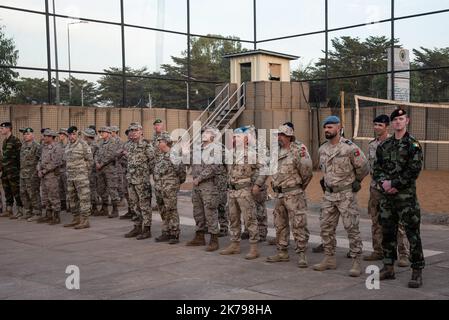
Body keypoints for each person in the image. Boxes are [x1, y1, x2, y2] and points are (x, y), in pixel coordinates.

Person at [373, 108, 425, 288]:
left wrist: (394, 184)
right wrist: (384, 184)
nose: (398, 122)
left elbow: (414, 171)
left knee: (412, 234)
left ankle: (417, 271)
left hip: (406, 198)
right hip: (387, 198)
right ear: (392, 123)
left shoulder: (413, 145)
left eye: (401, 119)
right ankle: (388, 268)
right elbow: (376, 169)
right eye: (395, 120)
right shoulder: (384, 146)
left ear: (407, 121)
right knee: (387, 233)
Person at [313, 116, 369, 277]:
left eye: (330, 127)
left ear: (339, 128)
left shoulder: (350, 148)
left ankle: (356, 261)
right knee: (326, 228)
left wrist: (356, 181)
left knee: (352, 228)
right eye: (325, 127)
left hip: (346, 195)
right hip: (329, 195)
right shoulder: (322, 149)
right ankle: (329, 258)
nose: (327, 130)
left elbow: (364, 167)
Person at [364, 115, 410, 267]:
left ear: (386, 126)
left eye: (380, 125)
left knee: (398, 223)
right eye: (375, 124)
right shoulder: (372, 145)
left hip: (392, 189)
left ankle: (403, 254)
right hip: (376, 189)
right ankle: (379, 251)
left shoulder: (395, 143)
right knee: (376, 221)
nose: (376, 127)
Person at [266, 124, 313, 267]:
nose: (279, 137)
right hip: (279, 195)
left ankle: (302, 254)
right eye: (278, 135)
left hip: (294, 194)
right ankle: (282, 252)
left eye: (282, 135)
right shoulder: (275, 152)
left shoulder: (298, 150)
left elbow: (307, 172)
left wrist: (298, 187)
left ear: (290, 136)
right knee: (280, 224)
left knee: (298, 224)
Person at [220, 125, 267, 260]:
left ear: (246, 139)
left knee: (250, 219)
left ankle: (254, 248)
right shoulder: (231, 153)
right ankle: (234, 244)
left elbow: (265, 168)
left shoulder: (251, 154)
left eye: (238, 137)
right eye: (234, 137)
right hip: (232, 191)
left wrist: (257, 184)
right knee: (233, 218)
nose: (235, 139)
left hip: (244, 191)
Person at [186, 126, 223, 252]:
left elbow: (213, 167)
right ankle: (199, 236)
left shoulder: (216, 149)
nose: (203, 134)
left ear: (213, 136)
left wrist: (199, 178)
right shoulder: (197, 148)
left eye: (207, 133)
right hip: (197, 185)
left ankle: (214, 239)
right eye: (203, 132)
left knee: (210, 212)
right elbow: (190, 163)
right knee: (198, 211)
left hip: (209, 185)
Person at [153, 132, 186, 244]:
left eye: (160, 141)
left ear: (166, 143)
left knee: (171, 210)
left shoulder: (174, 155)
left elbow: (181, 172)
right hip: (159, 187)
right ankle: (166, 231)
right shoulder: (160, 155)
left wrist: (175, 184)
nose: (158, 143)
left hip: (169, 187)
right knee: (162, 210)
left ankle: (174, 233)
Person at [123, 123, 155, 240]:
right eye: (131, 130)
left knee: (144, 205)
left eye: (136, 130)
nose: (133, 132)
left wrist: (144, 174)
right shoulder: (129, 145)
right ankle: (137, 227)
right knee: (134, 205)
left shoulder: (147, 146)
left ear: (141, 131)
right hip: (131, 180)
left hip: (142, 181)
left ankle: (147, 229)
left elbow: (152, 163)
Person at [63, 126, 93, 229]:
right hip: (70, 178)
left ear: (77, 134)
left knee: (84, 199)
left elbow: (90, 161)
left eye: (73, 134)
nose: (71, 136)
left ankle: (85, 220)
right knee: (72, 199)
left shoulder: (83, 145)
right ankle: (76, 218)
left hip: (81, 178)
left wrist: (84, 173)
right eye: (70, 135)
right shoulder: (68, 146)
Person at [37, 129, 64, 225]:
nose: (43, 138)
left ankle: (56, 216)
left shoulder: (57, 147)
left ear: (51, 137)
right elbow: (40, 159)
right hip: (44, 175)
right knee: (45, 195)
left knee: (53, 195)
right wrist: (39, 169)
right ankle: (48, 215)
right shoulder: (44, 147)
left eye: (45, 136)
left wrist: (44, 171)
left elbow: (56, 162)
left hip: (52, 175)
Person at [96, 126, 121, 218]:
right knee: (101, 189)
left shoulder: (113, 142)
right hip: (101, 169)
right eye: (100, 132)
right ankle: (104, 208)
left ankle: (115, 210)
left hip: (110, 169)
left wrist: (101, 164)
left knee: (112, 189)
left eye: (103, 132)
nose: (101, 133)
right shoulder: (100, 143)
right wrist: (96, 163)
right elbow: (96, 154)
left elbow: (111, 155)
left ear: (109, 133)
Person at [18, 128, 42, 221]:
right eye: (24, 134)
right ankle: (28, 211)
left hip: (32, 175)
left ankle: (37, 213)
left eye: (27, 134)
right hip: (23, 174)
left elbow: (40, 160)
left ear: (32, 135)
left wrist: (37, 172)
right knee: (23, 193)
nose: (25, 136)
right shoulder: (23, 145)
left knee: (33, 193)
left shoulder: (37, 146)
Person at [0, 122, 23, 218]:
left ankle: (20, 210)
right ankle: (9, 210)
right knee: (7, 190)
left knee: (16, 191)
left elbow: (20, 157)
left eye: (2, 128)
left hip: (13, 171)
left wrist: (19, 170)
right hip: (5, 171)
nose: (0, 130)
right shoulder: (5, 141)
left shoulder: (15, 141)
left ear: (9, 129)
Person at [83, 128, 100, 217]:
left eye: (84, 135)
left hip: (91, 171)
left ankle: (94, 207)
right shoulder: (88, 144)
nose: (83, 136)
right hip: (87, 171)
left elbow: (90, 159)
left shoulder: (93, 146)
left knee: (92, 189)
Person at [58, 128, 69, 212]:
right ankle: (63, 204)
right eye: (60, 134)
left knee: (68, 188)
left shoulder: (69, 145)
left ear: (66, 135)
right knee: (60, 188)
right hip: (59, 170)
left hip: (67, 170)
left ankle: (70, 205)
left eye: (62, 134)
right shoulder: (58, 145)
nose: (60, 136)